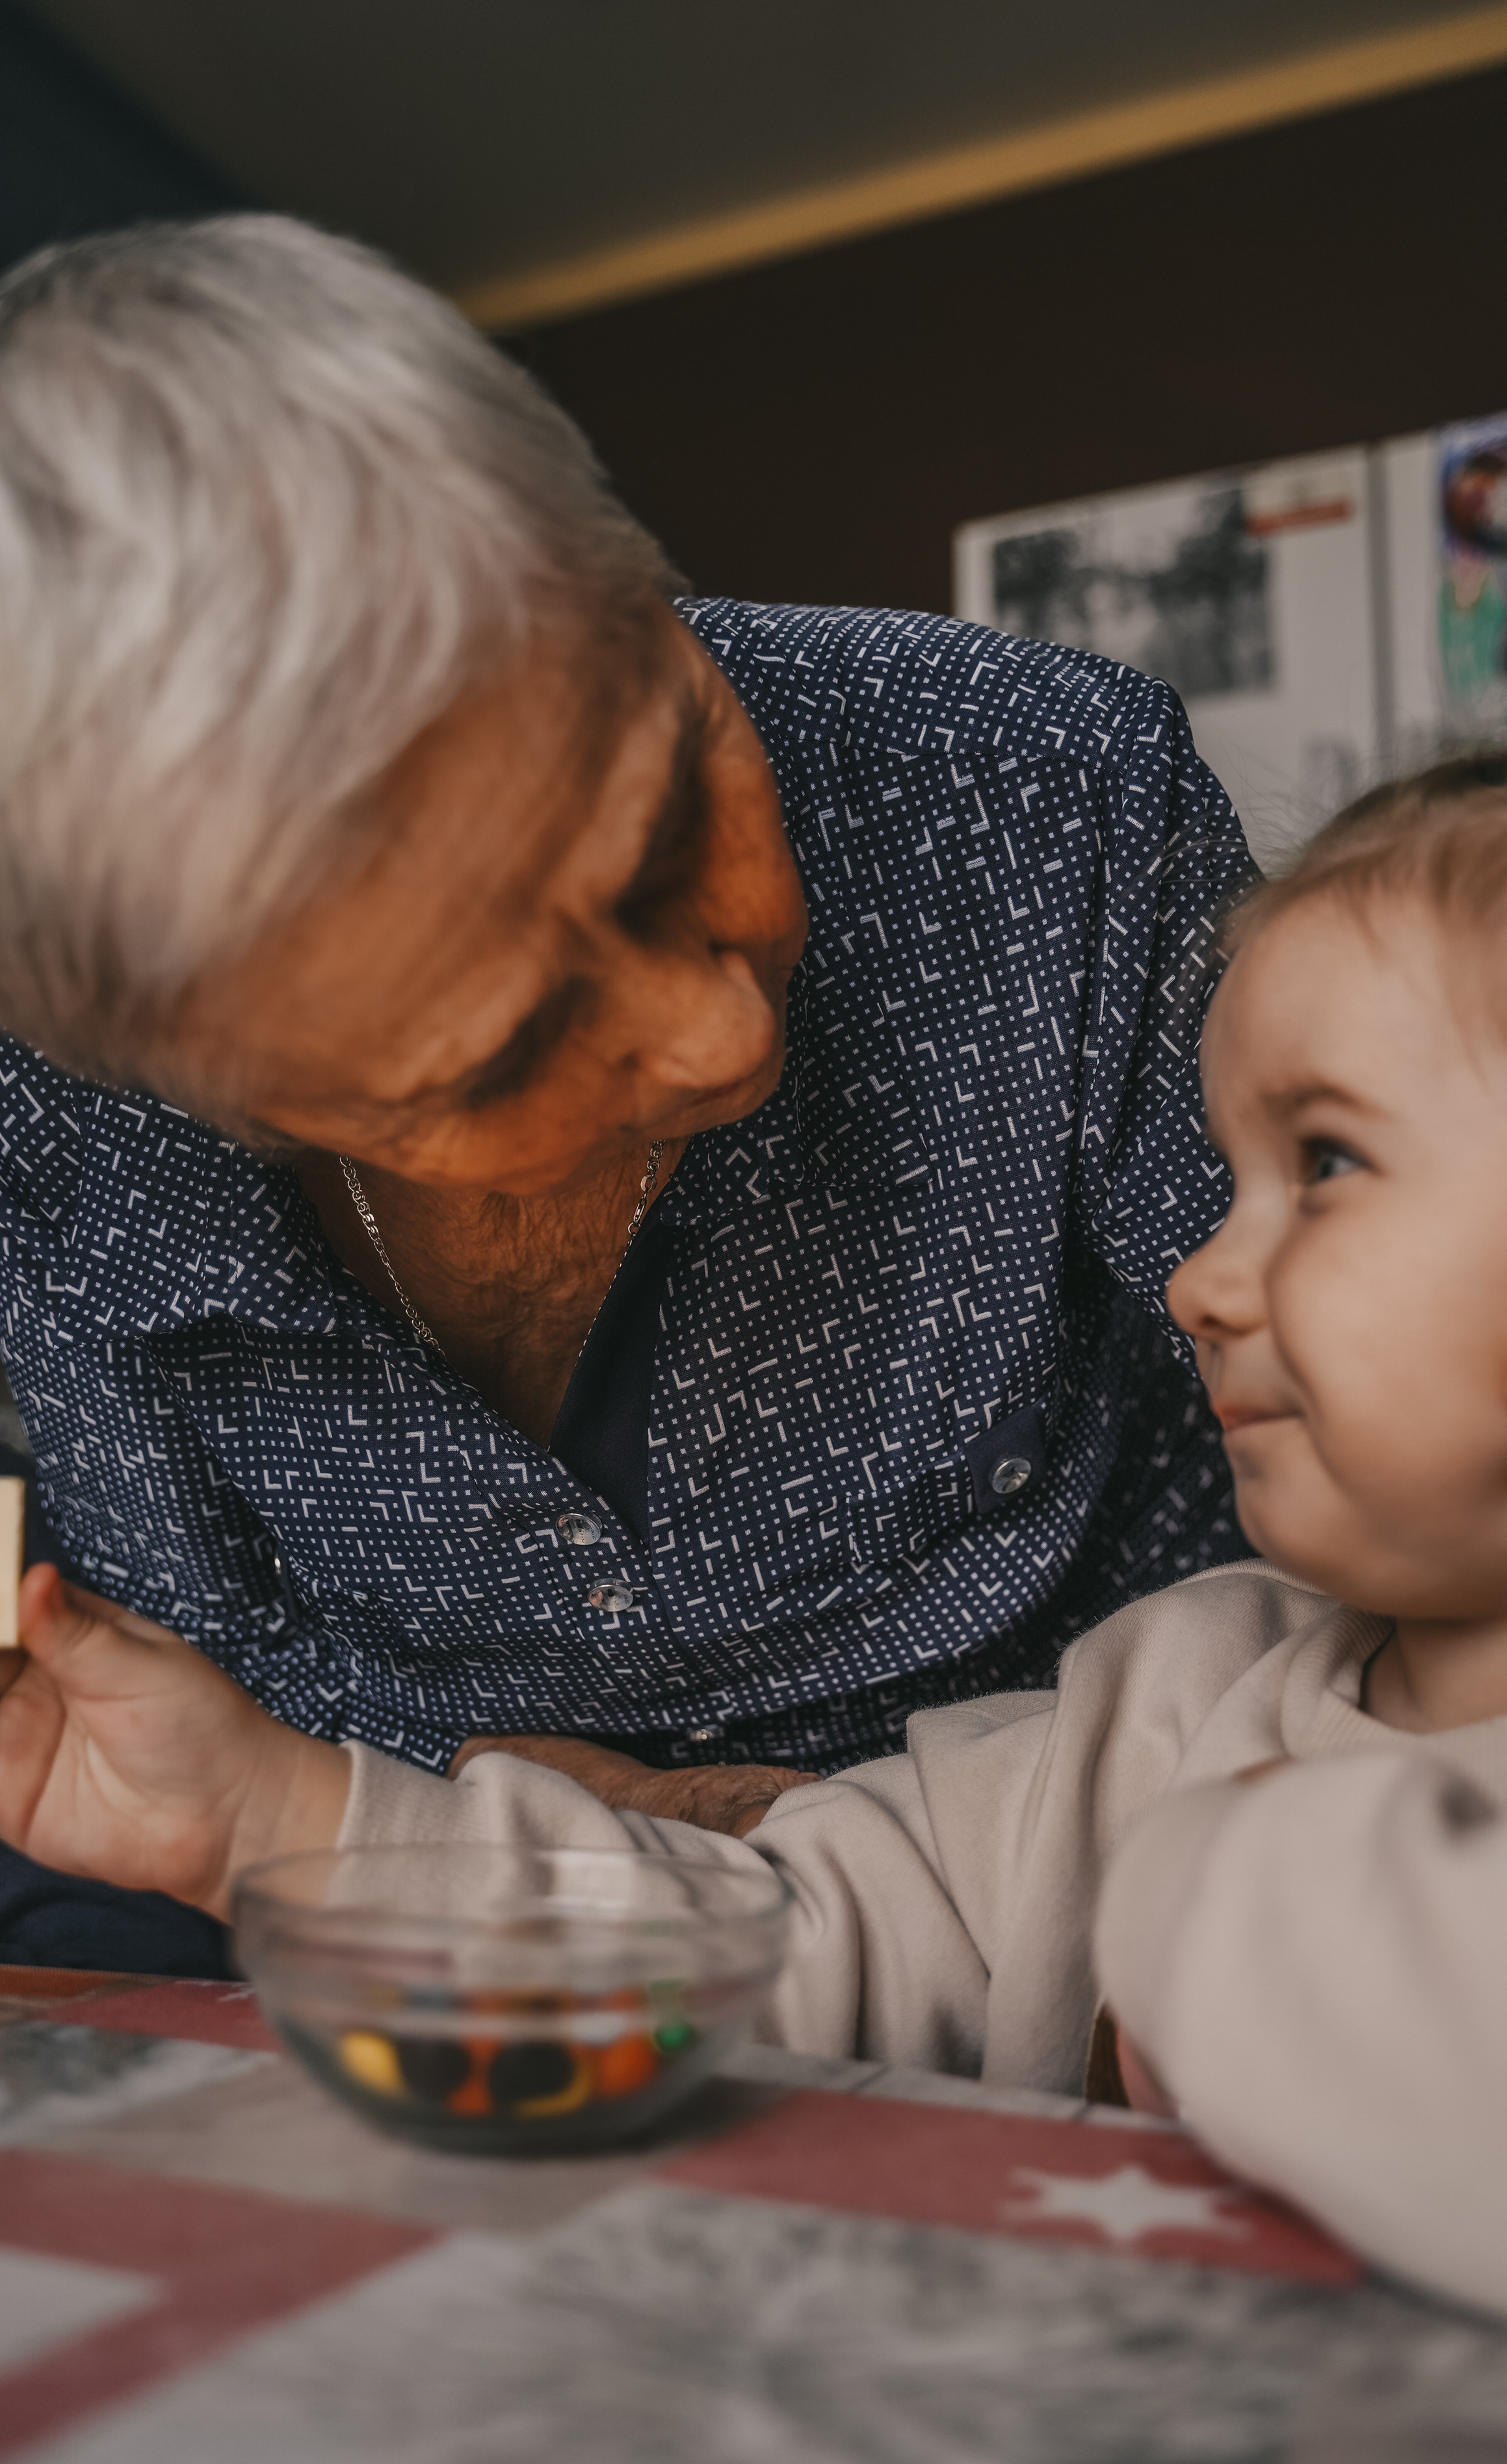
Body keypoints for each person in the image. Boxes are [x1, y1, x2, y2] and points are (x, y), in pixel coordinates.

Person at [6, 732, 1507, 2357]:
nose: (1197, 1281)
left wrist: (1202, 1894)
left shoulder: (1190, 1835)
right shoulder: (1171, 1692)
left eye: (1324, 1163)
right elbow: (745, 1949)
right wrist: (268, 1815)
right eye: (1229, 1179)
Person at [0, 211, 1253, 1970]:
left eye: (676, 812)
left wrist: (857, 1852)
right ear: (209, 1091)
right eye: (498, 1055)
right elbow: (184, 1699)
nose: (722, 1034)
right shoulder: (45, 1128)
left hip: (1136, 1905)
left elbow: (1416, 1522)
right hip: (404, 1949)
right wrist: (487, 1843)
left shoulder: (1047, 797)